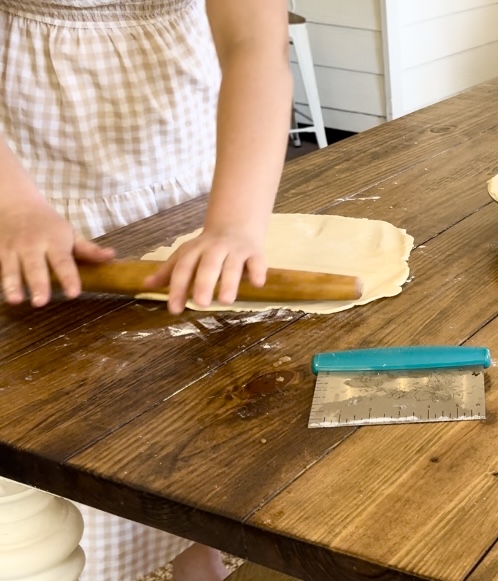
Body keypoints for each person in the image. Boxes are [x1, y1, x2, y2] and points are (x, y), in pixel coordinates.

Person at [0, 0, 292, 579]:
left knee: (181, 417)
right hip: (23, 171)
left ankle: (193, 556)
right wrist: (13, 207)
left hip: (186, 167)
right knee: (63, 432)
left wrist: (234, 223)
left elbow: (255, 43)